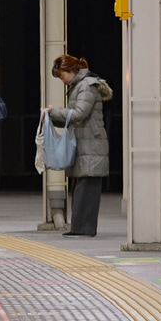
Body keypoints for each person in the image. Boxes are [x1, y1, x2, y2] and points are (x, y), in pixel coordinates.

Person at [45, 55, 110, 238]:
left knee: (87, 186)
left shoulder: (87, 85)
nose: (62, 80)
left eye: (61, 75)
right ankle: (79, 228)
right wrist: (52, 116)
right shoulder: (79, 86)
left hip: (91, 143)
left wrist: (54, 112)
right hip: (85, 141)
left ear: (71, 71)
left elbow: (80, 114)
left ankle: (84, 229)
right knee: (81, 186)